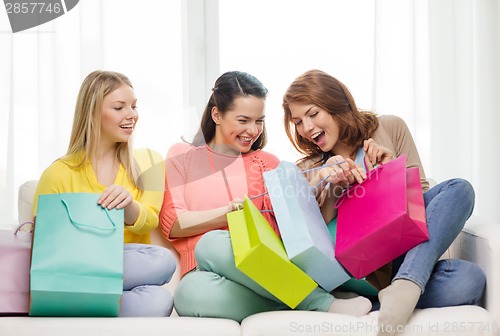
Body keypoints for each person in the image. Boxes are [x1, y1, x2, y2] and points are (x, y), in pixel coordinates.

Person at [282, 69, 486, 335]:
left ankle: (402, 289)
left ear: (335, 104)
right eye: (297, 121)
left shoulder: (389, 127)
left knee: (461, 200)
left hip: (403, 256)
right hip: (363, 275)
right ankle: (397, 291)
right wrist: (330, 184)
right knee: (466, 281)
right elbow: (311, 239)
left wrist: (390, 173)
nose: (306, 128)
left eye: (312, 114)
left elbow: (425, 204)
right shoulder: (309, 168)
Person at [159, 70, 372, 322]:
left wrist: (319, 178)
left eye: (259, 121)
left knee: (213, 241)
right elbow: (173, 223)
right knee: (188, 293)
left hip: (263, 268)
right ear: (216, 114)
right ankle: (308, 300)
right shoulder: (182, 155)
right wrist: (227, 214)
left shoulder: (266, 163)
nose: (253, 130)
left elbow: (286, 215)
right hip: (205, 269)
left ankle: (317, 301)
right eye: (243, 120)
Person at [33, 70, 176, 317]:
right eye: (119, 107)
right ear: (92, 112)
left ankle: (91, 304)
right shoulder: (57, 173)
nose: (132, 115)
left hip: (125, 275)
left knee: (161, 278)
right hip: (77, 266)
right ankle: (91, 298)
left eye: (134, 106)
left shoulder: (149, 161)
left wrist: (128, 205)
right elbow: (44, 245)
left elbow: (150, 220)